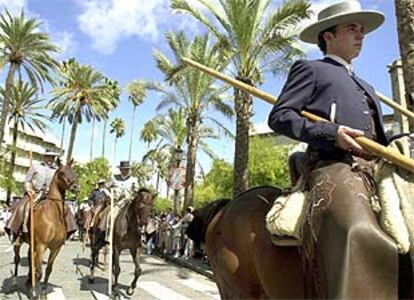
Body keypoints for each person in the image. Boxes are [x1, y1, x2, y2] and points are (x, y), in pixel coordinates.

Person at [268, 1, 400, 298]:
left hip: (375, 167)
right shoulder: (311, 69)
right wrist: (331, 133)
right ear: (328, 35)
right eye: (352, 28)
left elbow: (381, 139)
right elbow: (280, 116)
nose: (360, 35)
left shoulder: (367, 86)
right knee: (355, 230)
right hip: (333, 164)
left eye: (362, 30)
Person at [5, 149, 60, 240]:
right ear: (44, 157)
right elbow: (27, 180)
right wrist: (29, 189)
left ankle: (64, 233)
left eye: (53, 157)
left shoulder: (56, 170)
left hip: (50, 195)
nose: (50, 159)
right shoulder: (35, 167)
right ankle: (21, 231)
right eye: (48, 156)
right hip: (35, 193)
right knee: (23, 208)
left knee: (65, 209)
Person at [103, 161, 139, 242]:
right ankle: (109, 235)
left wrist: (134, 196)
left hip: (129, 202)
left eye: (127, 169)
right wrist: (110, 195)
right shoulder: (114, 178)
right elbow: (105, 187)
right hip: (118, 202)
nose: (125, 171)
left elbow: (137, 191)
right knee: (111, 215)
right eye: (123, 169)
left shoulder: (133, 180)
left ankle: (138, 237)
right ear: (120, 170)